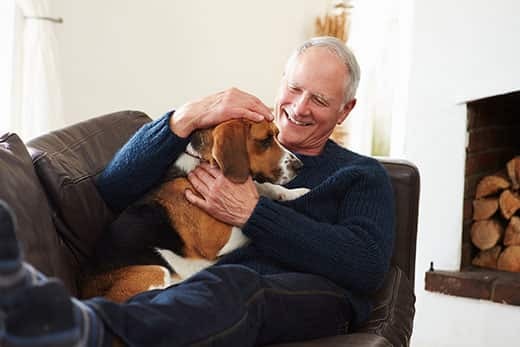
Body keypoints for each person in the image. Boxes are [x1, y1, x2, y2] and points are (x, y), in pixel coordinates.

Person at [0, 36, 394, 347]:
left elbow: (366, 264)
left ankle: (74, 331)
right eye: (294, 88)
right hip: (201, 290)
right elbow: (112, 190)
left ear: (345, 110)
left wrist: (254, 214)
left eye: (320, 99)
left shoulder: (361, 175)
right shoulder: (236, 144)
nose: (299, 107)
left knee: (234, 288)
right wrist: (184, 118)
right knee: (181, 295)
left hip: (304, 292)